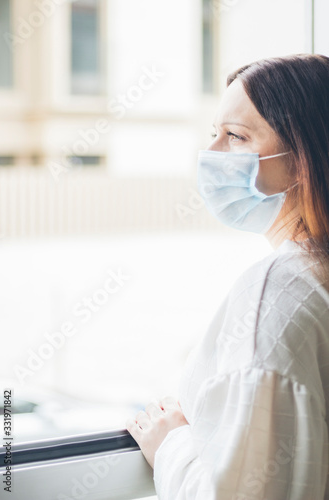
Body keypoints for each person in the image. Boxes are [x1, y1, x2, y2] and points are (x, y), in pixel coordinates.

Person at [126, 54, 329, 499]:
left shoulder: (280, 290)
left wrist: (171, 445)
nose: (211, 154)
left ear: (307, 157)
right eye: (213, 133)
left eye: (235, 136)